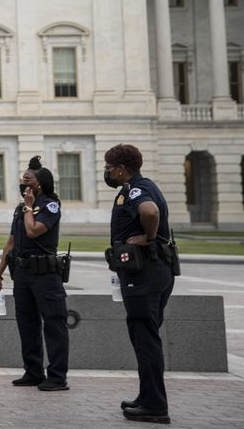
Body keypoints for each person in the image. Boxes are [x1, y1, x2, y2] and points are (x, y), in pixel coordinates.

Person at [105, 143, 175, 424]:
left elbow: (150, 212)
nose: (107, 173)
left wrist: (148, 237)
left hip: (144, 274)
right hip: (155, 272)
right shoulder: (144, 185)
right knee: (146, 338)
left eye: (110, 168)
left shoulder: (137, 189)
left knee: (146, 341)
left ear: (122, 169)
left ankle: (155, 406)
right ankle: (148, 396)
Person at [0, 156, 68, 392]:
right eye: (23, 179)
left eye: (28, 180)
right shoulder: (20, 208)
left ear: (40, 183)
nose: (24, 183)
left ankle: (57, 376)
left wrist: (28, 207)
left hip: (45, 273)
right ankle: (33, 371)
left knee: (53, 325)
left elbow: (33, 231)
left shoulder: (50, 205)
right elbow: (12, 242)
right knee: (27, 324)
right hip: (22, 273)